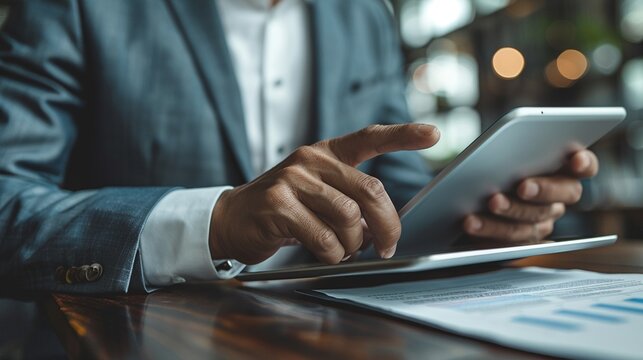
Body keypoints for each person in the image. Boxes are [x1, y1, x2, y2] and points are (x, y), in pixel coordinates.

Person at [0, 0, 597, 294]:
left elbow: (398, 197)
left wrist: (483, 215)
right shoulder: (77, 8)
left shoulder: (362, 14)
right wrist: (215, 221)